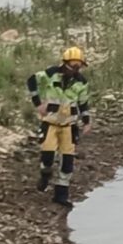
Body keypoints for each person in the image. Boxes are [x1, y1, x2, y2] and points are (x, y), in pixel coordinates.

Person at [26, 47, 91, 208]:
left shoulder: (81, 82)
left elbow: (83, 103)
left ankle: (61, 195)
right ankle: (45, 175)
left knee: (67, 162)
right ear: (66, 62)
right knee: (47, 156)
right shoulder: (51, 73)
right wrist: (38, 103)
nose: (76, 68)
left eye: (79, 65)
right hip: (50, 123)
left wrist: (87, 121)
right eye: (74, 64)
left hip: (69, 126)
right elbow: (31, 80)